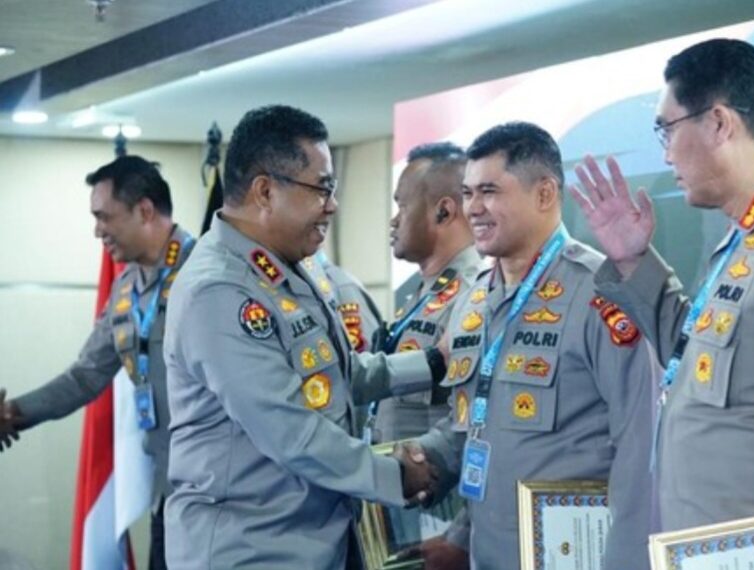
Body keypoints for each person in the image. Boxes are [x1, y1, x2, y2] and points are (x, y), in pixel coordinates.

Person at [571, 38, 754, 568]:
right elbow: (695, 362)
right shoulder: (746, 238)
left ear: (718, 123)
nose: (665, 153)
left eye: (667, 129)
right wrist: (633, 261)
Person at [162, 105, 442, 568]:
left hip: (310, 543)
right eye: (322, 188)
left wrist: (432, 363)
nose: (332, 205)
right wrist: (393, 476)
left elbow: (333, 378)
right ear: (265, 191)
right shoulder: (219, 290)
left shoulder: (282, 269)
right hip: (250, 552)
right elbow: (288, 430)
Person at [408, 121, 656, 570]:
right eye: (467, 193)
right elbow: (475, 422)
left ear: (544, 194)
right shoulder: (474, 300)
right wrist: (426, 459)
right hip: (490, 553)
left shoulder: (603, 291)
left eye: (489, 191)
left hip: (577, 555)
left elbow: (643, 448)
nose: (473, 208)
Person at [0, 155, 192, 570]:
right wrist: (12, 412)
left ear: (144, 210)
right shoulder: (126, 289)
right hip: (168, 496)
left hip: (223, 498)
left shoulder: (206, 276)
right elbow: (85, 378)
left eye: (104, 217)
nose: (97, 231)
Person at [371, 141, 482, 443]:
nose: (394, 221)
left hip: (432, 470)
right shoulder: (425, 292)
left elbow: (465, 421)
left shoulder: (472, 296)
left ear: (443, 212)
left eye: (402, 206)